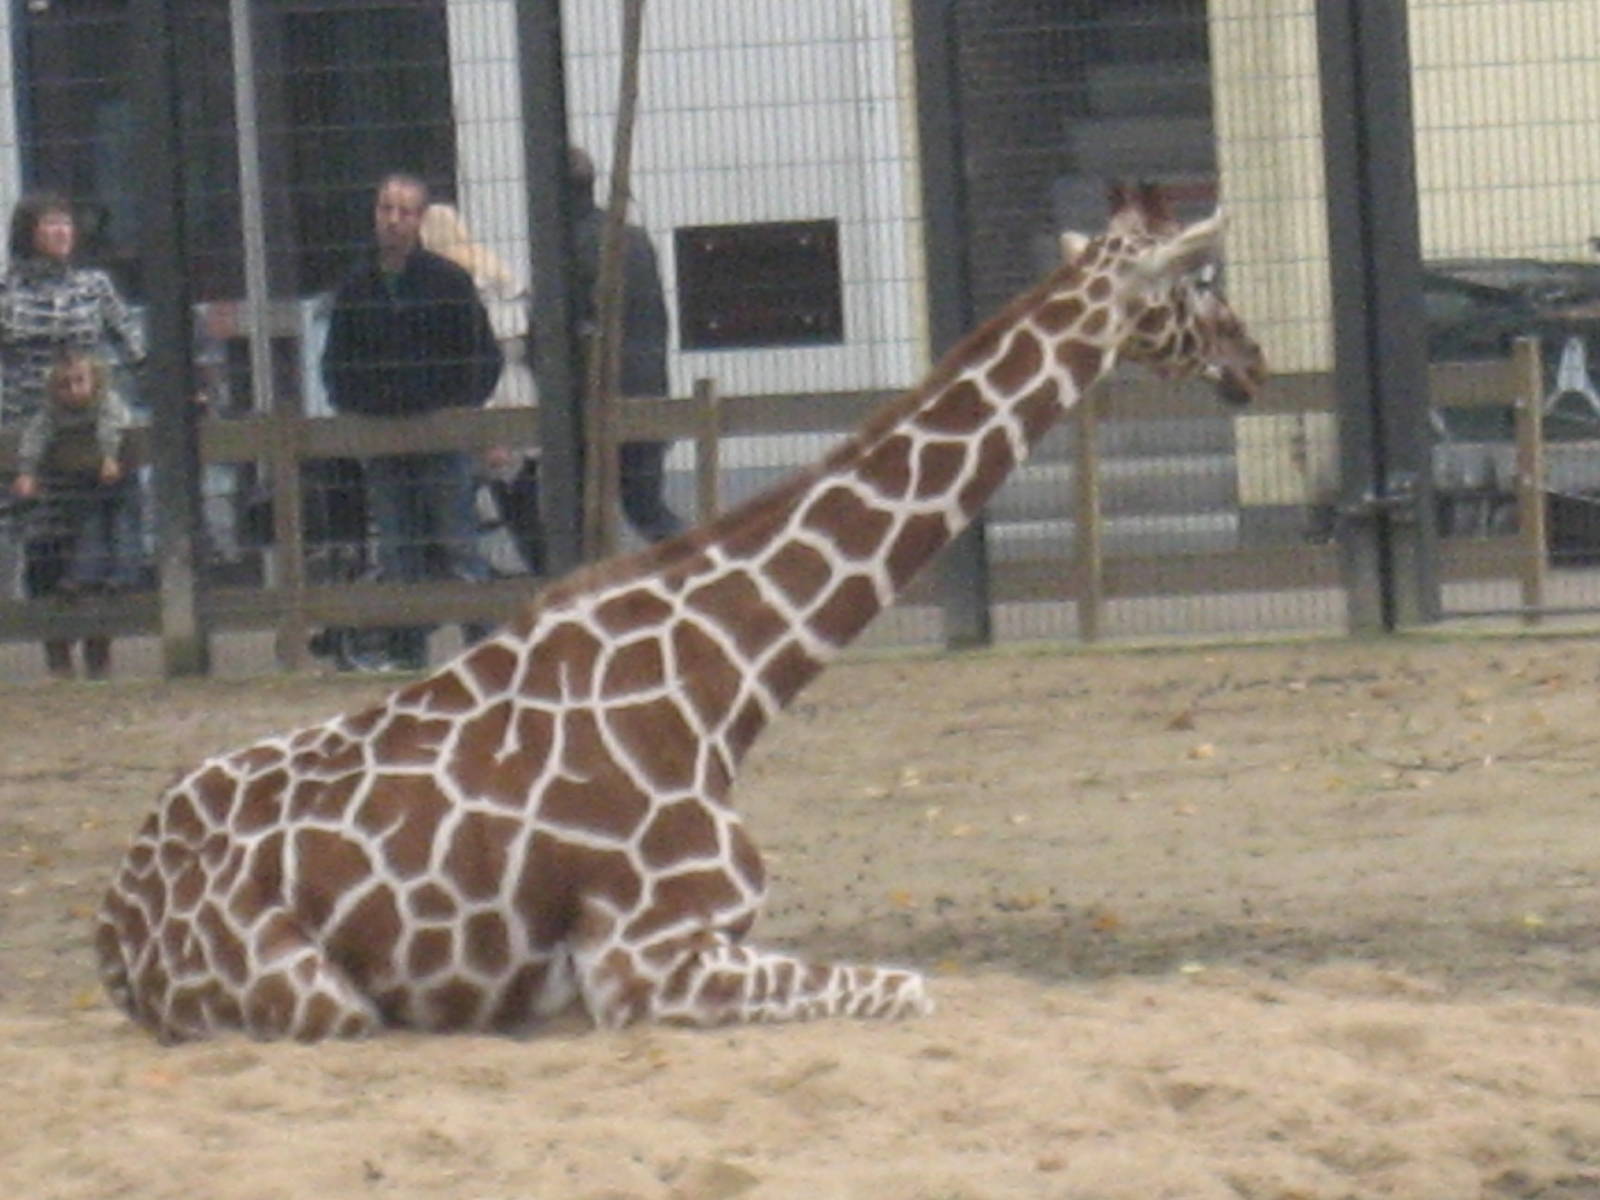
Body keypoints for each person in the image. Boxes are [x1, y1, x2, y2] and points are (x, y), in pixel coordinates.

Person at [321, 172, 503, 671]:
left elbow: (482, 358)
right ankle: (407, 661)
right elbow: (336, 366)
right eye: (385, 209)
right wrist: (364, 407)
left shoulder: (448, 282)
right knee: (398, 554)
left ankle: (485, 659)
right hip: (383, 442)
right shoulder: (356, 288)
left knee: (458, 548)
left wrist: (453, 409)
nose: (394, 220)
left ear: (421, 219)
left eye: (404, 211)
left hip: (442, 440)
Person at [505, 146, 684, 574]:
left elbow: (548, 338)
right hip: (648, 394)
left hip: (589, 404)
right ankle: (703, 567)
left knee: (565, 514)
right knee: (645, 506)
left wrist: (531, 362)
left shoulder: (563, 250)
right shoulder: (634, 240)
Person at [0, 192, 146, 598]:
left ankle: (101, 654)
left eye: (66, 222)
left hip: (89, 435)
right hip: (28, 437)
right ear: (28, 232)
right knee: (43, 547)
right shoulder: (6, 292)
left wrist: (182, 394)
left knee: (95, 538)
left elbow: (134, 347)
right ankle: (56, 654)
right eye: (50, 222)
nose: (62, 230)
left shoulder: (93, 287)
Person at [11, 349, 141, 679]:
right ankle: (59, 658)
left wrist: (111, 457)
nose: (73, 390)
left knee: (110, 533)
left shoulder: (107, 403)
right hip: (52, 483)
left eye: (80, 381)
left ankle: (98, 654)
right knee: (44, 562)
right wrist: (27, 470)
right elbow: (35, 435)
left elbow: (116, 423)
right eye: (64, 384)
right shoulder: (46, 412)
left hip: (102, 477)